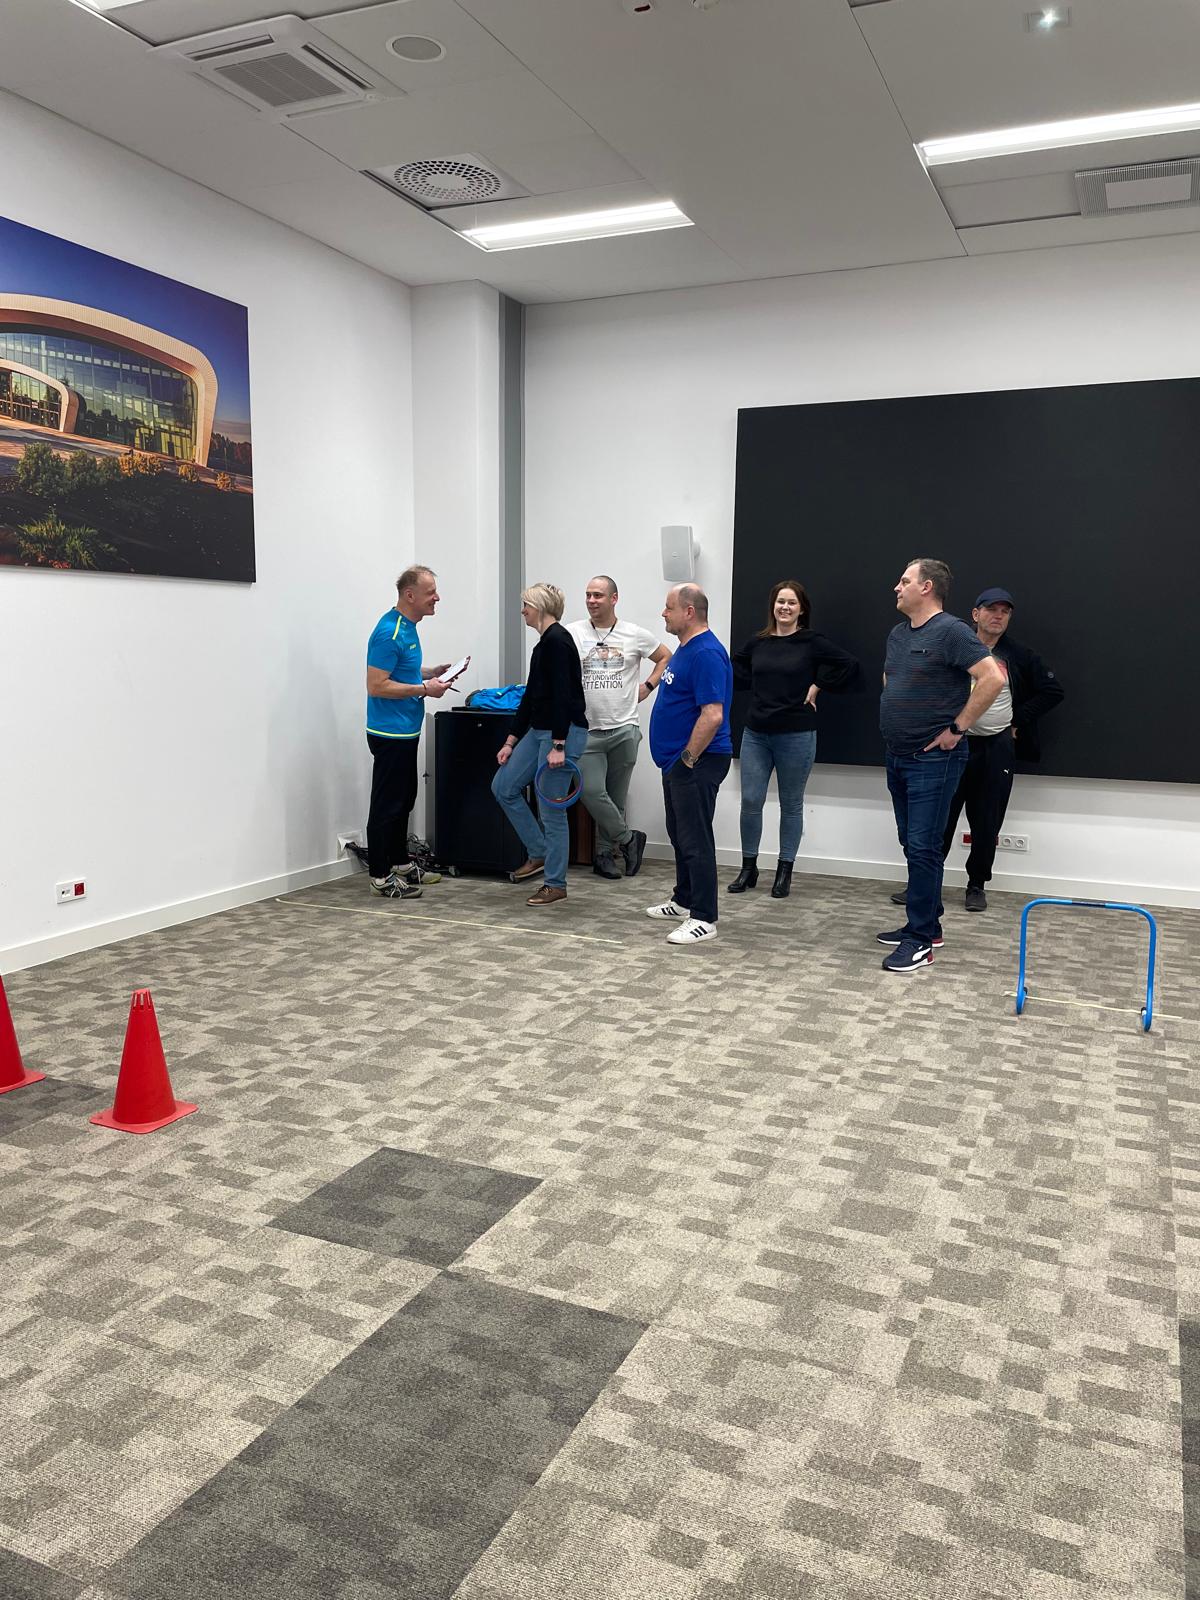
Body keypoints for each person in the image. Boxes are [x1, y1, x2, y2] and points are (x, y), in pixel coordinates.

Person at [877, 558, 1004, 973]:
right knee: (911, 842)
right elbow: (891, 679)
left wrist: (957, 728)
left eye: (904, 581)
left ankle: (919, 942)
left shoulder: (952, 631)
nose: (897, 588)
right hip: (898, 755)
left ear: (927, 587)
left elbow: (992, 678)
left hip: (934, 759)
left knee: (924, 846)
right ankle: (928, 925)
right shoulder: (898, 634)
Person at [937, 587, 1065, 913]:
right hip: (954, 744)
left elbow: (1052, 690)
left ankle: (976, 885)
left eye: (1004, 611)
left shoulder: (1018, 654)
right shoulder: (956, 647)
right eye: (991, 609)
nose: (998, 616)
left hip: (995, 747)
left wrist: (1016, 719)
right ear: (975, 614)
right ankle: (926, 882)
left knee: (987, 820)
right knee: (940, 816)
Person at [730, 579, 860, 899]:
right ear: (772, 606)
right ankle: (748, 867)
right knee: (751, 801)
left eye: (791, 603)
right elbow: (736, 668)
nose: (785, 607)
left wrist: (818, 684)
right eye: (780, 602)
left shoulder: (811, 642)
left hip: (796, 734)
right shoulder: (758, 642)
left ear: (801, 610)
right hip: (756, 734)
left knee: (791, 804)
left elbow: (848, 664)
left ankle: (784, 870)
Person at [645, 584, 733, 945]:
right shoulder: (685, 648)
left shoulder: (707, 653)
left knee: (696, 839)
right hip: (679, 761)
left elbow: (712, 715)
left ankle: (704, 918)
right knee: (679, 833)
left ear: (689, 612)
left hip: (699, 760)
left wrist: (687, 759)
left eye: (669, 608)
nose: (663, 613)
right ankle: (683, 900)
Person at [566, 576, 670, 880]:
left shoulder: (633, 634)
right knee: (591, 791)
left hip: (624, 728)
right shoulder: (573, 632)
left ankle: (604, 856)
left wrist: (649, 686)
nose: (591, 600)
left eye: (598, 595)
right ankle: (628, 839)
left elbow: (665, 656)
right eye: (588, 595)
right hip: (586, 730)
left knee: (616, 797)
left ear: (614, 599)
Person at [492, 583, 589, 907]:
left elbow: (564, 695)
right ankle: (539, 851)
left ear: (541, 607)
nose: (522, 611)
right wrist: (511, 740)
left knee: (551, 810)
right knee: (503, 787)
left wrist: (559, 744)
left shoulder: (558, 641)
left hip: (562, 732)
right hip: (539, 730)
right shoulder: (543, 645)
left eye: (526, 605)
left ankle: (555, 884)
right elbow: (531, 697)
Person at [364, 565, 452, 899]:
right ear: (410, 595)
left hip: (405, 731)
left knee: (404, 800)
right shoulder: (389, 632)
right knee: (386, 805)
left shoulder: (408, 628)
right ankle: (380, 876)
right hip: (389, 733)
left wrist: (430, 673)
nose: (437, 598)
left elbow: (402, 670)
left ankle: (401, 863)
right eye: (431, 593)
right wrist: (425, 689)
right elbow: (377, 685)